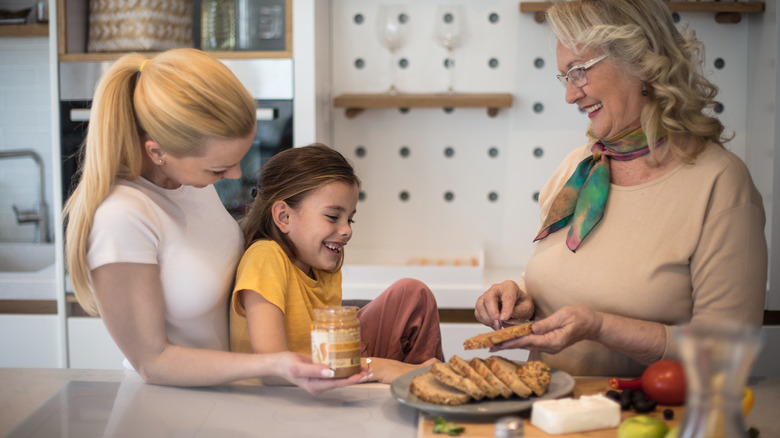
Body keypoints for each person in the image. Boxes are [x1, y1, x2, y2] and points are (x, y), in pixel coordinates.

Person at [474, 0, 767, 377]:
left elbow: (728, 356)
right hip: (550, 420)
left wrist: (601, 327)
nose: (570, 95)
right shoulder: (579, 167)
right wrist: (520, 299)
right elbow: (572, 286)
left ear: (641, 61)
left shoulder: (721, 183)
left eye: (579, 72)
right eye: (565, 76)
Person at [63, 48, 369, 393]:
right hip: (163, 414)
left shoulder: (191, 184)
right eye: (219, 168)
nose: (235, 174)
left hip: (224, 399)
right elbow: (152, 362)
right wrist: (273, 363)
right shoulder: (121, 218)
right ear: (157, 152)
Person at [229, 144, 444, 384]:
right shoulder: (265, 257)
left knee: (413, 294)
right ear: (284, 217)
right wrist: (379, 367)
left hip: (324, 371)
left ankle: (425, 386)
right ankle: (421, 383)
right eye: (333, 217)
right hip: (282, 394)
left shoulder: (321, 266)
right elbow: (272, 367)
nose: (347, 230)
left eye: (350, 219)